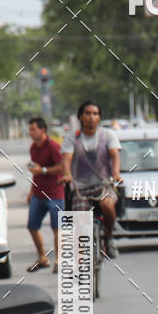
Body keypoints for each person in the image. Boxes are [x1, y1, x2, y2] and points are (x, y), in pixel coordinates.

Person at [60, 100, 122, 258]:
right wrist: (66, 174)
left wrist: (116, 173)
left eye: (95, 114)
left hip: (104, 185)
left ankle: (108, 239)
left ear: (99, 117)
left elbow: (115, 155)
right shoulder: (72, 138)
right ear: (81, 116)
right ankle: (82, 263)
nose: (91, 117)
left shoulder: (107, 135)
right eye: (87, 113)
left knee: (108, 205)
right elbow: (67, 159)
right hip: (80, 188)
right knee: (79, 221)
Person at [27, 116, 64, 273]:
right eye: (30, 129)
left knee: (57, 229)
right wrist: (31, 191)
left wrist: (43, 170)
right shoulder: (33, 148)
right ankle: (42, 257)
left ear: (43, 130)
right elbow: (35, 171)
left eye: (33, 129)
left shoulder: (53, 147)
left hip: (55, 193)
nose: (30, 132)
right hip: (38, 194)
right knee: (32, 226)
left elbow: (62, 167)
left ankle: (59, 260)